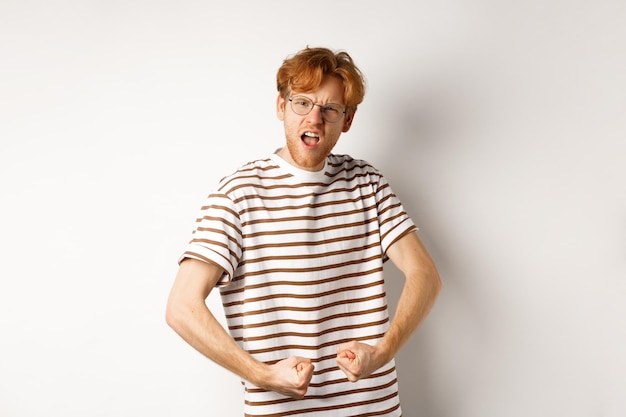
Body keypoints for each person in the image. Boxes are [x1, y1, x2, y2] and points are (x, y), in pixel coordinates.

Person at [166, 46, 442, 416]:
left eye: (330, 108)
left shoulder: (367, 184)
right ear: (281, 107)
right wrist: (262, 375)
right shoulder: (238, 194)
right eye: (302, 103)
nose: (315, 118)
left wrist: (382, 352)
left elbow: (425, 275)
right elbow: (181, 307)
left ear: (347, 120)